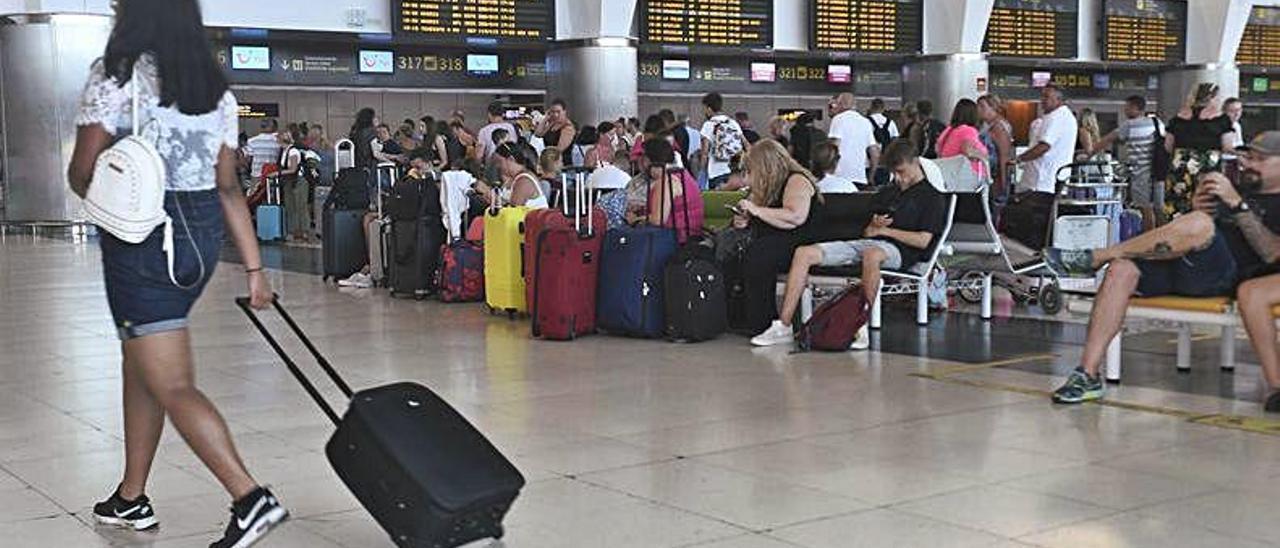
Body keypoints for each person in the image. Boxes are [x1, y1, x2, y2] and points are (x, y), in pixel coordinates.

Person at [66, 0, 289, 545]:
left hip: (144, 242)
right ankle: (130, 497)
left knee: (172, 381)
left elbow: (81, 170)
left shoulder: (117, 76)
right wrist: (255, 268)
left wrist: (109, 189)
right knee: (141, 360)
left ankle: (249, 497)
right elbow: (228, 186)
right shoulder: (216, 90)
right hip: (201, 240)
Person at [1044, 131, 1280, 405]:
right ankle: (1087, 373)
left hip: (1223, 276)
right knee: (1122, 269)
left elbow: (1271, 252)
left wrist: (1236, 206)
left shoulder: (1245, 198)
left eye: (1260, 159)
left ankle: (1098, 256)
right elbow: (1190, 231)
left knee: (1200, 224)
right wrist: (1200, 206)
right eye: (1248, 157)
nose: (1249, 164)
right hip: (1189, 263)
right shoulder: (1238, 190)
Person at [752, 139, 947, 349]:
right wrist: (872, 228)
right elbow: (867, 230)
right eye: (895, 173)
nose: (899, 179)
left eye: (902, 172)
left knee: (872, 254)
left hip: (902, 251)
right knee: (803, 253)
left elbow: (923, 240)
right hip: (869, 242)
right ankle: (784, 324)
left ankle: (857, 323)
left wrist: (884, 231)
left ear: (916, 162)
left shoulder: (932, 197)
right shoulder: (890, 192)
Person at [733, 139, 823, 335]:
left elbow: (795, 217)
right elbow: (761, 215)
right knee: (742, 252)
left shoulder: (797, 180)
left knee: (760, 255)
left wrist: (756, 211)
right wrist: (744, 219)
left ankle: (763, 322)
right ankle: (741, 317)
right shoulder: (768, 185)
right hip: (775, 239)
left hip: (800, 241)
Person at [1005, 85, 1077, 249]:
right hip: (1042, 180)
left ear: (1059, 100)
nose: (1042, 101)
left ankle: (1034, 258)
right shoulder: (1055, 117)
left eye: (1047, 97)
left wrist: (1018, 159)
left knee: (1034, 229)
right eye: (1042, 96)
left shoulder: (1057, 118)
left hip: (1043, 181)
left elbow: (1044, 146)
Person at [1163, 82, 1236, 218]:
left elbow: (1168, 146)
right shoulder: (1221, 120)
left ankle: (1178, 236)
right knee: (1206, 209)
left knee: (1179, 208)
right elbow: (1227, 147)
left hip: (1180, 167)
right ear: (1213, 97)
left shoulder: (1178, 118)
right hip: (1207, 167)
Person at [1092, 95, 1164, 230]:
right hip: (1159, 171)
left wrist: (1089, 153)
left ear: (1134, 108)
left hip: (1141, 173)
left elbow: (1107, 139)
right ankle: (1167, 241)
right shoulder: (1157, 123)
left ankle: (1149, 243)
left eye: (1127, 107)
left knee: (1146, 209)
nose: (1125, 111)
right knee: (1159, 209)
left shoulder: (1130, 125)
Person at [638, 139, 704, 243]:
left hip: (676, 240)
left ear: (647, 160)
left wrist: (635, 219)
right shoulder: (683, 175)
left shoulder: (666, 181)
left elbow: (658, 220)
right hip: (691, 236)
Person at [827, 92, 880, 186]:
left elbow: (834, 147)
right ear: (854, 105)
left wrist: (827, 172)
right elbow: (874, 153)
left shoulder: (838, 119)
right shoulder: (866, 122)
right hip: (859, 178)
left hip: (839, 176)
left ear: (840, 104)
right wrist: (871, 177)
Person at [475, 142, 549, 208]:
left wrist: (490, 194)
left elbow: (512, 210)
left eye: (499, 162)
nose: (497, 166)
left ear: (511, 159)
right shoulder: (512, 179)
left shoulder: (524, 180)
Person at [700, 92, 747, 189]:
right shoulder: (733, 123)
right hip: (733, 172)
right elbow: (746, 144)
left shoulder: (708, 125)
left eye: (704, 108)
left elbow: (705, 152)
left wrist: (701, 172)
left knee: (716, 201)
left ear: (709, 109)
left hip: (715, 173)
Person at [936, 98, 990, 177]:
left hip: (948, 174)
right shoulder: (968, 131)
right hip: (967, 178)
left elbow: (938, 149)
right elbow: (968, 151)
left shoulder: (949, 130)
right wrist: (983, 156)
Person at [277, 127, 312, 242]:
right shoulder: (284, 151)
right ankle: (294, 231)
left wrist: (277, 173)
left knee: (300, 206)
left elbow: (293, 169)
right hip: (289, 181)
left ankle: (304, 231)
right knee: (290, 206)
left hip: (299, 181)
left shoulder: (293, 151)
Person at [977, 94, 1014, 203]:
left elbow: (1004, 155)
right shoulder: (986, 125)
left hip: (995, 175)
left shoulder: (998, 127)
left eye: (982, 106)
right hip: (987, 173)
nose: (978, 110)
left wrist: (1003, 181)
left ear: (993, 108)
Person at [536, 98, 577, 166]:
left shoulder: (568, 127)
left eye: (558, 112)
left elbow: (560, 149)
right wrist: (545, 118)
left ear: (564, 111)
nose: (555, 115)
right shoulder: (552, 124)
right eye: (553, 112)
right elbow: (538, 134)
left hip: (562, 164)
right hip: (550, 163)